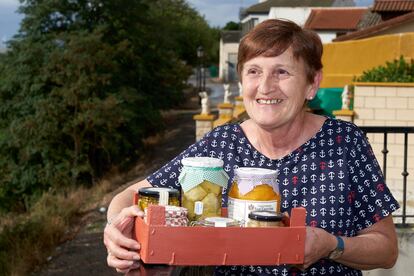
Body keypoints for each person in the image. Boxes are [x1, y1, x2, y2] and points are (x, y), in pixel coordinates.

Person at [104, 19, 399, 275]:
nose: (266, 86)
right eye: (254, 72)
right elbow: (130, 196)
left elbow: (386, 251)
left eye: (282, 72)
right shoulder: (222, 144)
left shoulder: (343, 143)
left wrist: (330, 245)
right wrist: (119, 231)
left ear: (312, 84)